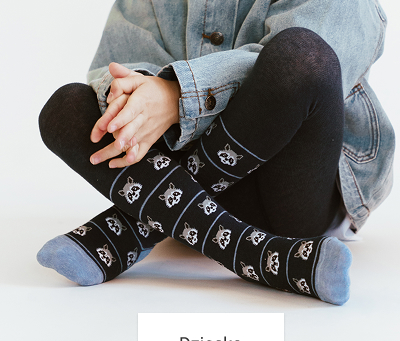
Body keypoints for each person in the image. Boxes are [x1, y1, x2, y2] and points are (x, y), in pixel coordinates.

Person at [36, 0, 394, 306]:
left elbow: (319, 60)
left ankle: (131, 228)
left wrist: (176, 94)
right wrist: (137, 97)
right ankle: (267, 258)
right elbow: (115, 67)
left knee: (302, 56)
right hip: (183, 179)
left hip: (291, 193)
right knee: (66, 108)